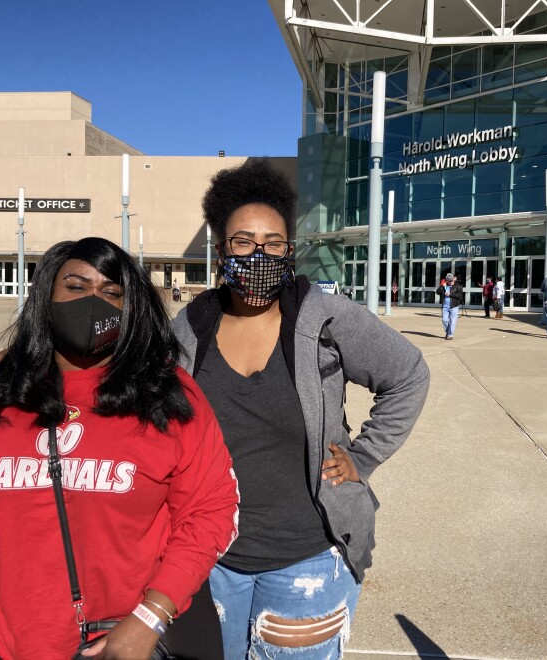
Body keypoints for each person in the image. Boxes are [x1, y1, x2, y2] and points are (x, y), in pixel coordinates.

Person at [0, 237, 239, 660]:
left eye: (111, 292)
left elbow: (210, 512)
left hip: (123, 641)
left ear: (130, 309)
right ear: (46, 296)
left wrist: (150, 616)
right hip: (8, 642)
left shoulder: (168, 394)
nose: (92, 302)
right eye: (76, 287)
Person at [172, 159, 430, 659]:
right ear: (220, 247)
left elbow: (408, 374)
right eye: (243, 241)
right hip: (210, 558)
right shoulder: (191, 327)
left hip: (306, 556)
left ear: (290, 250)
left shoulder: (326, 318)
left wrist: (365, 457)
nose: (259, 253)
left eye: (273, 242)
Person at [438, 272, 463, 340]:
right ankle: (448, 331)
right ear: (447, 280)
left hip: (454, 306)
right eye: (449, 281)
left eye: (452, 280)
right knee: (444, 320)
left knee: (452, 321)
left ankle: (450, 335)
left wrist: (450, 294)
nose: (451, 282)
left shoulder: (458, 286)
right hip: (445, 306)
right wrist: (441, 286)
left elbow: (460, 296)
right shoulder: (445, 285)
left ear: (453, 279)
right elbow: (437, 292)